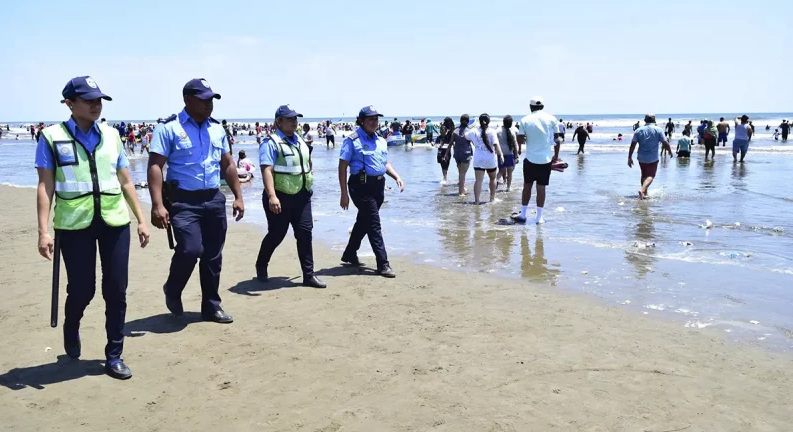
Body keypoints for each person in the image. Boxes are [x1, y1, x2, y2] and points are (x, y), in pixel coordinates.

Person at [35, 76, 150, 380]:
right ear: (69, 104)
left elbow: (126, 180)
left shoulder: (112, 136)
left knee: (116, 289)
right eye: (88, 100)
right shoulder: (51, 137)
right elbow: (45, 186)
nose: (95, 105)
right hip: (74, 225)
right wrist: (43, 231)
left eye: (98, 100)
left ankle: (114, 354)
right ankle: (71, 325)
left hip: (114, 221)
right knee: (82, 289)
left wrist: (141, 219)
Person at [148, 78, 244, 324]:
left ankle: (211, 306)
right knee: (190, 250)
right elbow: (156, 166)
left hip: (213, 199)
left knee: (213, 255)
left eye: (211, 99)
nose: (209, 104)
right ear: (187, 100)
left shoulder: (217, 129)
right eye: (203, 100)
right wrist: (157, 204)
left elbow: (228, 164)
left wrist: (238, 196)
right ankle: (173, 288)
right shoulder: (168, 128)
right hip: (183, 201)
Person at [255, 105, 325, 288]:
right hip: (280, 196)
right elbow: (266, 170)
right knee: (277, 234)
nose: (294, 122)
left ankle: (309, 275)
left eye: (296, 119)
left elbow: (307, 161)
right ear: (279, 121)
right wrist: (272, 196)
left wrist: (309, 177)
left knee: (305, 233)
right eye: (290, 119)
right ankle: (261, 264)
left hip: (302, 196)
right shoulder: (271, 142)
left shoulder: (300, 140)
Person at [338, 106, 405, 278]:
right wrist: (343, 193)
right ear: (361, 120)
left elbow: (384, 162)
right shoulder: (352, 140)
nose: (374, 122)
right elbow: (342, 166)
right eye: (370, 119)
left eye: (376, 119)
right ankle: (383, 264)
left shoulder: (381, 140)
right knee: (374, 224)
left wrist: (396, 176)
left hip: (378, 187)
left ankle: (349, 253)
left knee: (364, 220)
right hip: (360, 186)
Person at [513, 97, 560, 224]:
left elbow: (520, 139)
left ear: (530, 107)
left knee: (527, 186)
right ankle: (539, 217)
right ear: (543, 107)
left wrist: (522, 146)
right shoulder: (552, 119)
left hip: (531, 158)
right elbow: (556, 139)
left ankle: (523, 214)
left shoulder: (525, 120)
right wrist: (556, 156)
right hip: (545, 159)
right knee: (541, 187)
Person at [628, 114, 671, 200]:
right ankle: (643, 190)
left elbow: (633, 144)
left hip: (641, 157)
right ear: (654, 120)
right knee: (651, 175)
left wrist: (629, 157)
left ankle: (645, 193)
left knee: (644, 174)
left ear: (645, 120)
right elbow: (665, 143)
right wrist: (669, 151)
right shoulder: (658, 130)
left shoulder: (638, 130)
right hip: (653, 158)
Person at [468, 113, 503, 204]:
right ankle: (492, 199)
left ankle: (477, 201)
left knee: (478, 180)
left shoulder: (473, 131)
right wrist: (501, 155)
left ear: (479, 121)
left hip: (478, 159)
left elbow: (466, 136)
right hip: (490, 159)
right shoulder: (492, 131)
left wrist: (474, 142)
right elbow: (496, 145)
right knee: (493, 178)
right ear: (488, 121)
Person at [444, 114, 474, 196]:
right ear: (468, 122)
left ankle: (462, 187)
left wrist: (446, 154)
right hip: (466, 154)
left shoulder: (455, 131)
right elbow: (475, 143)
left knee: (460, 172)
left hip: (457, 154)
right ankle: (461, 192)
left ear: (460, 121)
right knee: (463, 173)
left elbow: (450, 144)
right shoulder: (469, 131)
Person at [497, 115, 519, 192]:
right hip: (510, 154)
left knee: (501, 171)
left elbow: (495, 143)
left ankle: (495, 181)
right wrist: (516, 155)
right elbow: (515, 145)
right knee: (510, 172)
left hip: (501, 154)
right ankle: (508, 188)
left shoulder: (498, 130)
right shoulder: (512, 132)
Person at [436, 117, 455, 184]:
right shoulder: (439, 137)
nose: (441, 131)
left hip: (447, 151)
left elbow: (451, 143)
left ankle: (445, 177)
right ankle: (445, 177)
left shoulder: (449, 135)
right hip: (440, 152)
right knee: (442, 164)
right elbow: (436, 144)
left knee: (446, 164)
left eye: (443, 130)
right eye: (440, 130)